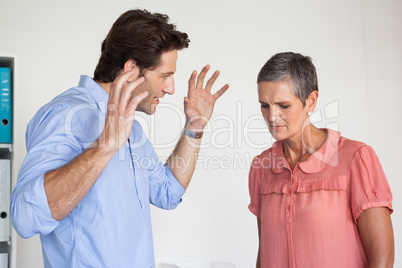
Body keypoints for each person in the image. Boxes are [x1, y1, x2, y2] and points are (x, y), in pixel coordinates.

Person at [11, 9, 228, 267]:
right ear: (131, 69)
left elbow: (168, 192)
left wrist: (194, 126)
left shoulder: (131, 128)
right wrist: (105, 147)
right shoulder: (66, 114)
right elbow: (25, 218)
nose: (170, 88)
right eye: (165, 75)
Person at [248, 52, 394, 268]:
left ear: (311, 101)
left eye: (283, 106)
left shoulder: (356, 158)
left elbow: (382, 260)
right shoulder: (262, 168)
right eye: (265, 105)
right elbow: (265, 254)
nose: (272, 117)